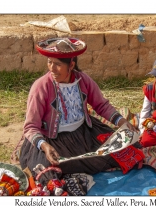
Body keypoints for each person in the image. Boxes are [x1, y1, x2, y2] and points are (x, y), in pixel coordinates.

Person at [18, 37, 144, 177]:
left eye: (58, 64)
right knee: (48, 173)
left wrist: (121, 122)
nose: (52, 68)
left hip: (84, 134)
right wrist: (44, 146)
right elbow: (30, 127)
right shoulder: (41, 87)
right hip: (53, 140)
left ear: (71, 65)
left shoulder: (83, 80)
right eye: (49, 62)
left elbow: (101, 105)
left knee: (125, 152)